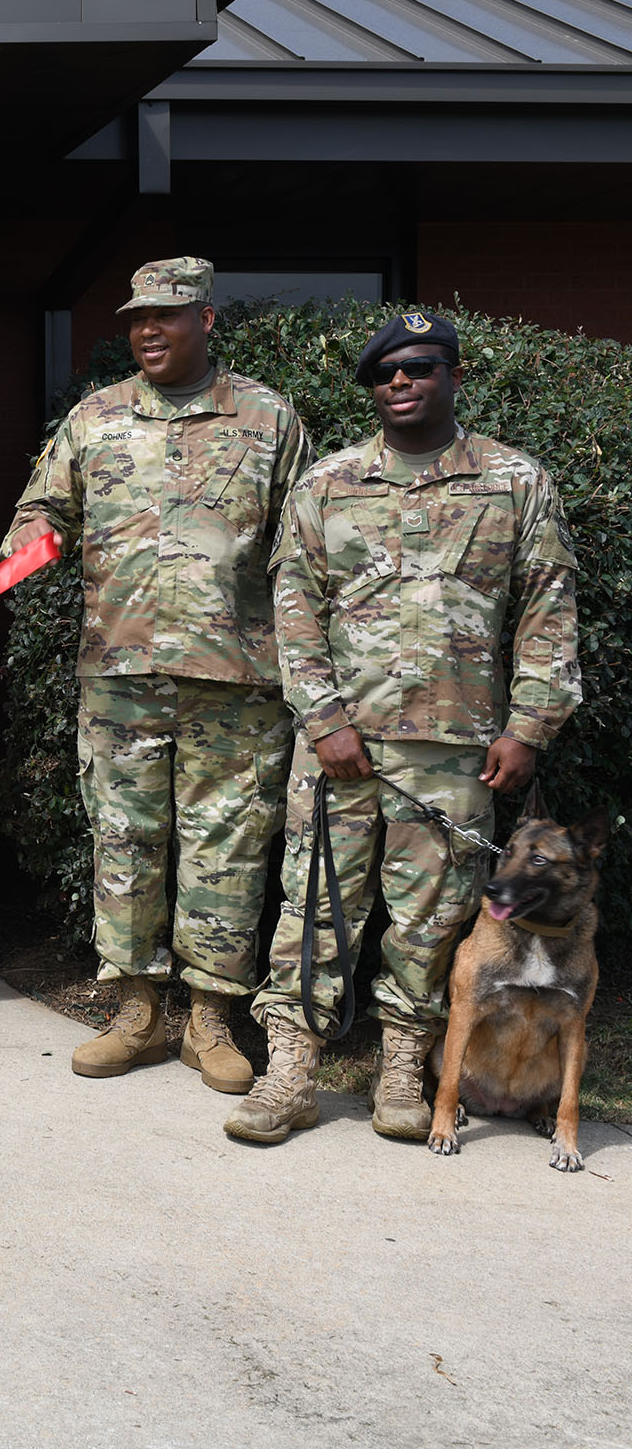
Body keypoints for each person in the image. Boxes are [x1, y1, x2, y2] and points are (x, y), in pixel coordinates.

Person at [226, 309, 582, 1146]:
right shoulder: (327, 485)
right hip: (339, 750)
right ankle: (291, 1071)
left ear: (454, 376)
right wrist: (322, 718)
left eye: (419, 369)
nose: (400, 383)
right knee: (312, 906)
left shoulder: (515, 483)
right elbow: (294, 612)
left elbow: (549, 612)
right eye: (385, 374)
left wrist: (529, 725)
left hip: (456, 754)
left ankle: (400, 1069)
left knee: (432, 918)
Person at [4, 257, 311, 1093]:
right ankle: (135, 1013)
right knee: (124, 845)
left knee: (228, 850)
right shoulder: (95, 418)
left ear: (205, 321)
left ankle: (211, 1020)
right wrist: (25, 554)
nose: (147, 330)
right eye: (137, 317)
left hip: (237, 678)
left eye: (166, 317)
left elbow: (304, 544)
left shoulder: (267, 418)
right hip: (121, 672)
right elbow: (43, 508)